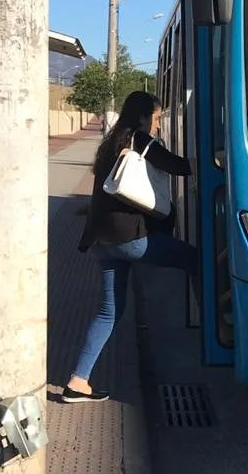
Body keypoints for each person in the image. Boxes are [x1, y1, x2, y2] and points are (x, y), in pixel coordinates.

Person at [65, 91, 193, 403]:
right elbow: (178, 167)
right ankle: (222, 323)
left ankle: (78, 382)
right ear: (142, 117)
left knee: (109, 311)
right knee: (197, 260)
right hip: (129, 240)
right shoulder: (139, 139)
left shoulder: (112, 141)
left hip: (101, 242)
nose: (159, 126)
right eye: (158, 119)